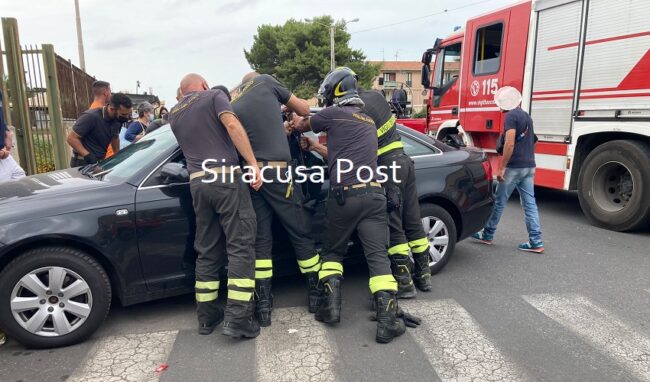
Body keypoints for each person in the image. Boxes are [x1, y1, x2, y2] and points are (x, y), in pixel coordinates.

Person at [293, 67, 419, 343]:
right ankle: (387, 321)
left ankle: (330, 310)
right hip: (374, 197)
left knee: (333, 254)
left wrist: (295, 124)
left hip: (345, 197)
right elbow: (339, 155)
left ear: (336, 91)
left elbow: (304, 123)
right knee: (378, 258)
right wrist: (315, 147)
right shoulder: (366, 121)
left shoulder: (333, 113)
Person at [169, 73, 263, 338]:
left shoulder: (174, 113)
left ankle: (207, 316)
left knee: (207, 249)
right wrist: (253, 164)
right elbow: (232, 126)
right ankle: (238, 318)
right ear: (204, 85)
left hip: (198, 184)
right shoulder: (213, 96)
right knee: (241, 245)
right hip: (225, 178)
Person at [231, 72, 315, 327]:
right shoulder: (266, 81)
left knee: (262, 239)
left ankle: (264, 307)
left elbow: (259, 134)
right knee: (299, 229)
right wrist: (290, 108)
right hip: (278, 172)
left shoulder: (235, 102)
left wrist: (284, 126)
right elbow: (304, 108)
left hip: (253, 174)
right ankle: (317, 294)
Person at [359, 88, 432, 297]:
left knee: (393, 221)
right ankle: (424, 277)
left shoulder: (358, 107)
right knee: (413, 220)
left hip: (387, 166)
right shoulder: (375, 96)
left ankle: (404, 282)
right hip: (403, 161)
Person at [472, 86, 544, 253]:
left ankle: (488, 234)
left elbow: (509, 143)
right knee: (530, 204)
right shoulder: (526, 116)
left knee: (499, 201)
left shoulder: (511, 117)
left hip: (514, 167)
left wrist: (502, 167)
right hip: (529, 167)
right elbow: (534, 140)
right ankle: (536, 241)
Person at [66, 93, 132, 167]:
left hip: (100, 161)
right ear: (112, 108)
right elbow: (71, 138)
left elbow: (115, 137)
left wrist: (118, 156)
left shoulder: (117, 120)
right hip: (82, 161)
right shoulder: (91, 117)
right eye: (123, 114)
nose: (126, 117)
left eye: (128, 114)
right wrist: (87, 155)